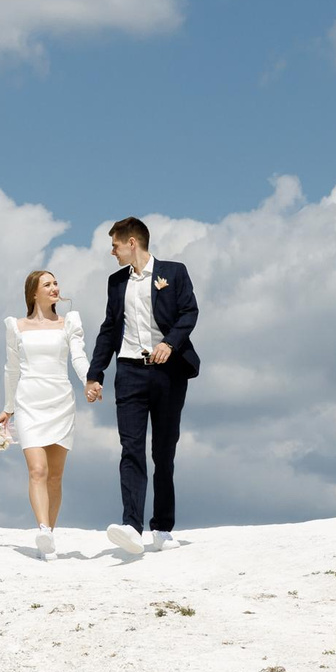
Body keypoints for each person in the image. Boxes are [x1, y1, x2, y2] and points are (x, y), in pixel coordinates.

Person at [84, 216, 199, 555]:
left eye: (115, 245)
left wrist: (170, 343)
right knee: (130, 449)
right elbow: (109, 329)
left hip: (168, 372)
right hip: (130, 372)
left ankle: (162, 527)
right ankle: (131, 526)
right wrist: (95, 373)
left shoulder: (174, 272)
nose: (112, 252)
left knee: (163, 452)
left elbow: (189, 312)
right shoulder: (116, 282)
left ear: (132, 243)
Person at [0, 268, 90, 558]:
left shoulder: (69, 322)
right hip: (29, 401)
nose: (54, 287)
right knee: (38, 470)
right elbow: (11, 369)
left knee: (55, 476)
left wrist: (90, 382)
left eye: (56, 282)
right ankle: (43, 530)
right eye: (47, 284)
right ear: (33, 292)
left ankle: (49, 535)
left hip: (60, 399)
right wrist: (8, 407)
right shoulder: (16, 326)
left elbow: (79, 356)